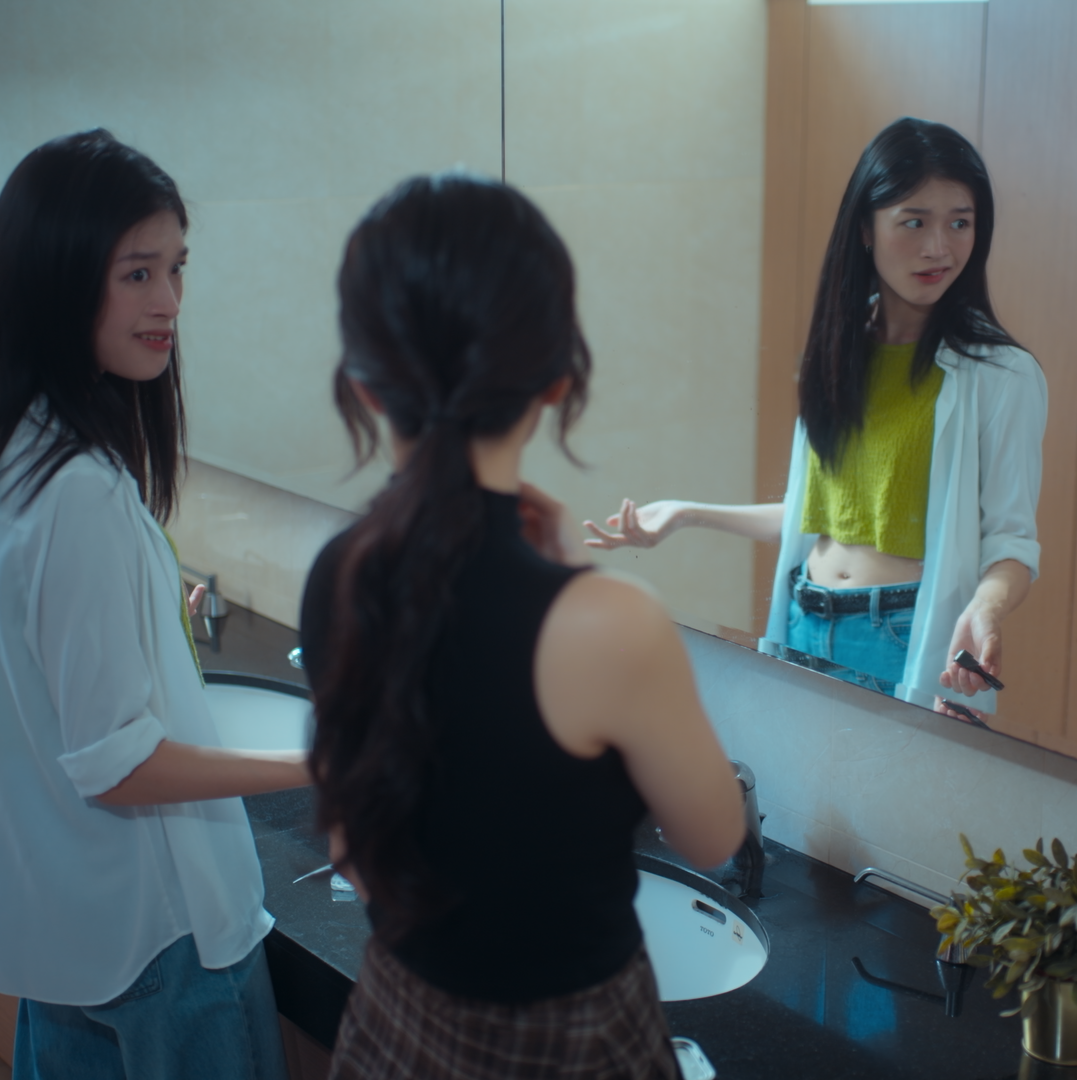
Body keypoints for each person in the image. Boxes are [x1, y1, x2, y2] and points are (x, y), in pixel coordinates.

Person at [298, 173, 746, 1080]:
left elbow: (351, 850)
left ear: (366, 387)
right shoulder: (610, 625)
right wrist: (575, 577)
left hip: (393, 1028)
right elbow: (714, 838)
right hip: (574, 1049)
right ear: (555, 379)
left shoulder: (339, 575)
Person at [0, 130, 307, 1079]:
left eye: (176, 268)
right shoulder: (74, 488)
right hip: (160, 938)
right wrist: (321, 763)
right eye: (136, 273)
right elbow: (120, 765)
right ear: (57, 278)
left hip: (57, 929)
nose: (168, 302)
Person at [583, 117, 1046, 716]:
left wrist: (985, 608)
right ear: (865, 229)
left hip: (903, 635)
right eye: (914, 222)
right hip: (804, 619)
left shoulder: (1001, 373)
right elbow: (816, 514)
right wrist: (687, 513)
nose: (940, 247)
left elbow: (1011, 541)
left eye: (960, 222)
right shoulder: (838, 350)